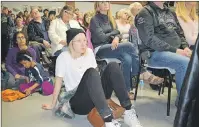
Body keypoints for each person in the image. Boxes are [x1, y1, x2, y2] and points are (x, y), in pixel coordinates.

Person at [42, 28, 142, 127]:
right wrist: (53, 104)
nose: (83, 43)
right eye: (79, 41)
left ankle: (128, 111)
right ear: (71, 43)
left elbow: (96, 79)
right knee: (91, 72)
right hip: (78, 102)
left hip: (95, 97)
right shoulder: (63, 57)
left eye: (85, 40)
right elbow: (58, 82)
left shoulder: (89, 52)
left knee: (113, 66)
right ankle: (108, 120)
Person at [135, 1, 191, 95]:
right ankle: (183, 102)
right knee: (184, 62)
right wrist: (175, 50)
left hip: (176, 51)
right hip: (154, 53)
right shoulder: (145, 12)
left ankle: (193, 98)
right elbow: (149, 39)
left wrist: (185, 47)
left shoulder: (170, 12)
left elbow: (179, 33)